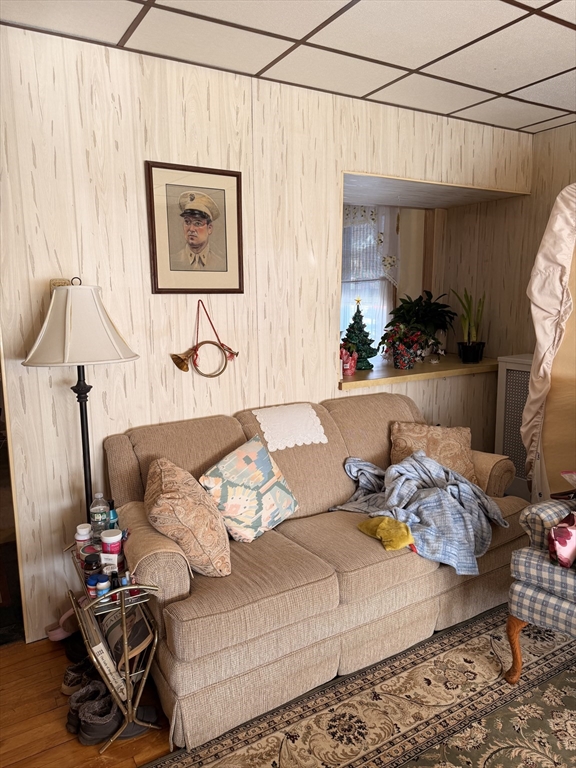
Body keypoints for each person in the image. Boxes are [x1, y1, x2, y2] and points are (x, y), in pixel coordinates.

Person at [170, 190, 226, 272]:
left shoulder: (220, 264)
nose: (191, 229)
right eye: (187, 222)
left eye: (198, 223)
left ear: (209, 228)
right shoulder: (173, 261)